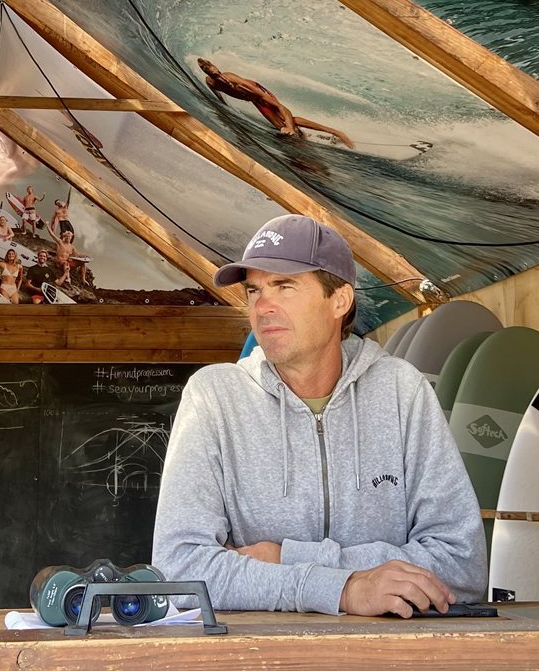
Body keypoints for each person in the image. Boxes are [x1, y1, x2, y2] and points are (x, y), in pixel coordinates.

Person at [152, 214, 486, 615]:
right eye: (254, 290)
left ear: (339, 301)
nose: (263, 306)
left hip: (387, 659)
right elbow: (178, 570)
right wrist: (343, 590)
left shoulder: (401, 392)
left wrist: (286, 557)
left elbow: (462, 564)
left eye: (284, 286)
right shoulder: (214, 398)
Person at [197, 58, 355, 148]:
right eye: (215, 76)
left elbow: (280, 107)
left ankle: (336, 132)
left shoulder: (243, 85)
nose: (222, 78)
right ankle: (299, 133)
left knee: (286, 121)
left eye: (219, 73)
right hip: (254, 100)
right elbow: (217, 94)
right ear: (208, 74)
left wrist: (289, 127)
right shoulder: (210, 82)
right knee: (280, 126)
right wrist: (222, 105)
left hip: (258, 94)